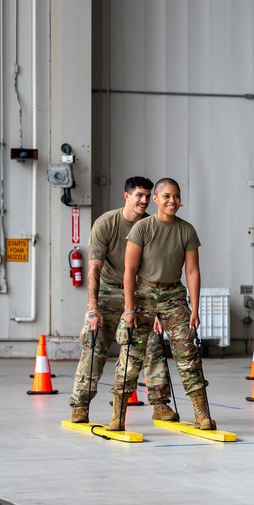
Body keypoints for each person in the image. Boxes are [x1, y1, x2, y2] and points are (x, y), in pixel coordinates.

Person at [68, 176, 178, 424]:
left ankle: (160, 404)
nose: (144, 200)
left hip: (141, 293)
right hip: (108, 290)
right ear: (126, 196)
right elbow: (94, 269)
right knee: (95, 345)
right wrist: (93, 308)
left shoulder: (153, 225)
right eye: (139, 195)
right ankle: (80, 405)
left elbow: (155, 270)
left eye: (148, 196)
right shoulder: (106, 223)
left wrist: (157, 310)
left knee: (153, 346)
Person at [108, 177, 216, 431]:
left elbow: (192, 271)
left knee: (187, 352)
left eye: (176, 196)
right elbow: (130, 269)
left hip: (173, 295)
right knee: (131, 355)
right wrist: (129, 308)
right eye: (166, 196)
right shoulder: (142, 228)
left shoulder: (186, 230)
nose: (172, 201)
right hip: (143, 294)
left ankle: (202, 413)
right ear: (155, 199)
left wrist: (195, 308)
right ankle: (118, 415)